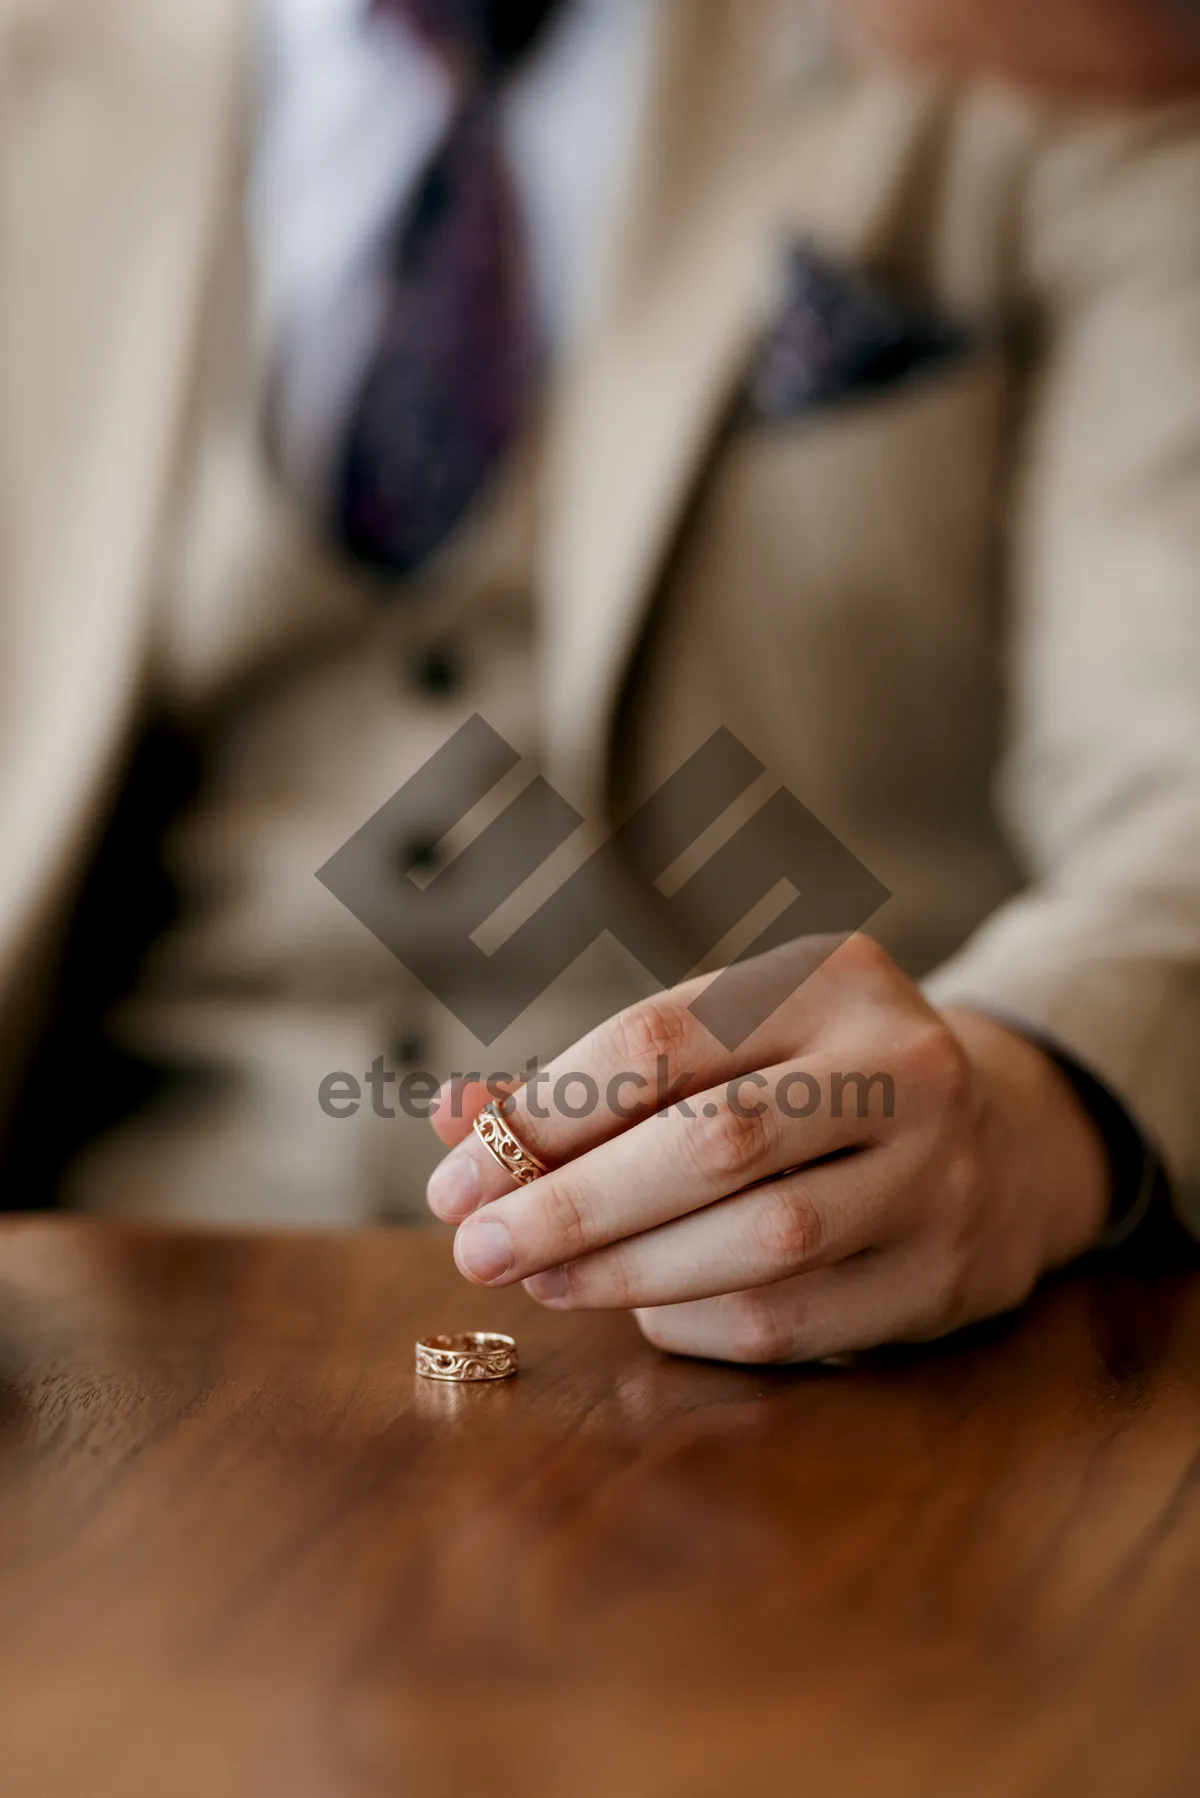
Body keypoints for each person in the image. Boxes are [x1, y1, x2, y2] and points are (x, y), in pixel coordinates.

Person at [1, 0, 1198, 1361]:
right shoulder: (31, 88)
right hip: (91, 1334)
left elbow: (1182, 785)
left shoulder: (1043, 48)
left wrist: (1029, 1098)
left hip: (798, 1369)